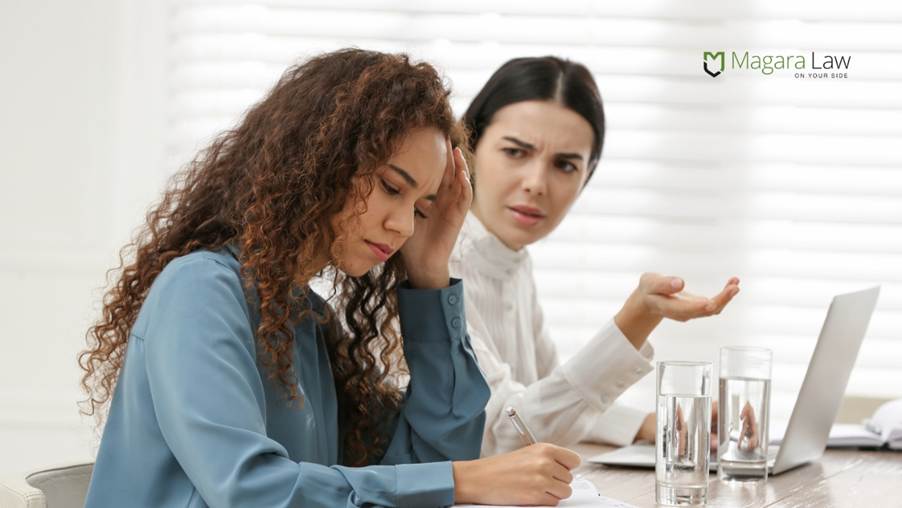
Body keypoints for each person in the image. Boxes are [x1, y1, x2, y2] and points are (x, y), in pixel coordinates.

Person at [79, 49, 580, 507]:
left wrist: (430, 275)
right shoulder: (199, 292)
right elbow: (250, 491)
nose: (405, 227)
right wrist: (462, 480)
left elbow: (427, 461)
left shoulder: (306, 317)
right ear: (321, 164)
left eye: (421, 207)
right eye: (392, 188)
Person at [451, 56, 739, 456]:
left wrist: (656, 423)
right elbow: (510, 430)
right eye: (516, 152)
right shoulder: (437, 268)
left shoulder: (512, 260)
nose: (536, 183)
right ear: (468, 148)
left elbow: (549, 400)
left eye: (565, 165)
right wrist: (637, 318)